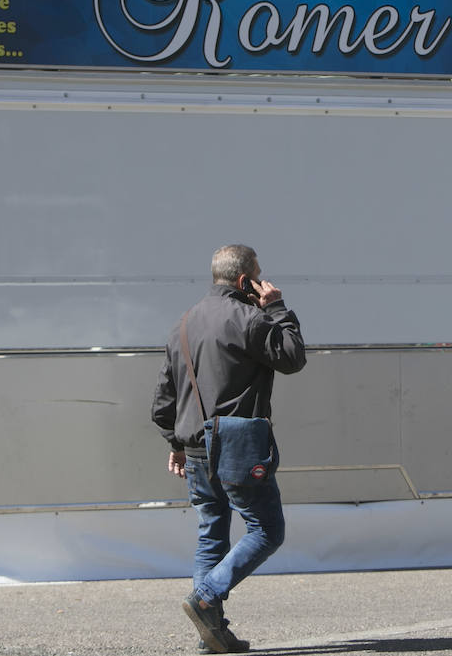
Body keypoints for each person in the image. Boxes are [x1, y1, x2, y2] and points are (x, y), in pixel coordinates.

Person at [152, 244, 307, 654]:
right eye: (259, 275)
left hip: (196, 449)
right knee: (267, 530)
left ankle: (212, 635)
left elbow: (163, 402)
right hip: (237, 448)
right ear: (245, 281)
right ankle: (206, 599)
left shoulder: (182, 324)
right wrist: (277, 307)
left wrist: (176, 443)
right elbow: (292, 357)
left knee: (211, 535)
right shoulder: (252, 318)